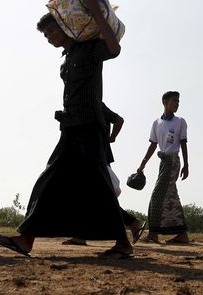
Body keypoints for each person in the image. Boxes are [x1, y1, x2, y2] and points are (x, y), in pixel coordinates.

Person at [0, 0, 134, 258]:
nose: (50, 38)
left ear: (66, 27)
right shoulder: (65, 62)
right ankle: (26, 239)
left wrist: (94, 11)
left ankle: (123, 243)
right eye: (46, 36)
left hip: (90, 127)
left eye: (52, 32)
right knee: (51, 180)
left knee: (100, 185)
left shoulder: (90, 49)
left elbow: (114, 48)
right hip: (71, 128)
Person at [62, 103, 146, 247]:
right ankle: (82, 235)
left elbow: (119, 120)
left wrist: (111, 137)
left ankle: (131, 224)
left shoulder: (95, 104)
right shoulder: (83, 105)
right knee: (91, 197)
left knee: (98, 197)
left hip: (97, 157)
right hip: (89, 156)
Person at [136, 91, 190, 244]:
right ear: (165, 102)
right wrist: (142, 164)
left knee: (157, 195)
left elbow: (184, 143)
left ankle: (153, 234)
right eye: (175, 101)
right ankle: (182, 234)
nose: (177, 103)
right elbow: (153, 145)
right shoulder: (156, 123)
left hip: (173, 162)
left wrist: (186, 165)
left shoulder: (180, 121)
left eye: (178, 101)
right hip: (163, 162)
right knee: (171, 196)